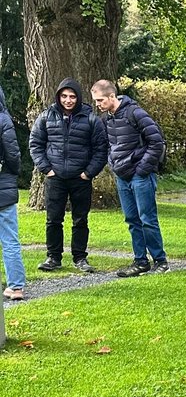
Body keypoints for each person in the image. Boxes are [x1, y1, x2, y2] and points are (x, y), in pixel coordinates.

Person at [90, 80, 169, 277]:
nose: (97, 104)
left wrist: (142, 169)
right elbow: (108, 145)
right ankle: (140, 261)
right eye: (95, 101)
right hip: (122, 176)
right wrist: (113, 164)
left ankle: (161, 261)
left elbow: (157, 142)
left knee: (147, 219)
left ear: (111, 96)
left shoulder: (135, 113)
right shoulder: (105, 119)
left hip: (140, 176)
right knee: (132, 220)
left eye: (100, 100)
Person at [28, 78, 108, 273]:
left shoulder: (91, 119)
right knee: (53, 219)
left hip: (80, 179)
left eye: (72, 96)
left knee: (80, 220)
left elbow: (101, 149)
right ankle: (53, 257)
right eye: (64, 96)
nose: (68, 100)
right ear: (58, 96)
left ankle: (80, 258)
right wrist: (47, 169)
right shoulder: (47, 116)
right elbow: (35, 144)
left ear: (78, 98)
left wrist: (89, 173)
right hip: (55, 178)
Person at [0, 85, 28, 302]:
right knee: (10, 239)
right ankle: (16, 286)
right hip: (3, 187)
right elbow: (13, 155)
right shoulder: (4, 120)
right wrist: (11, 173)